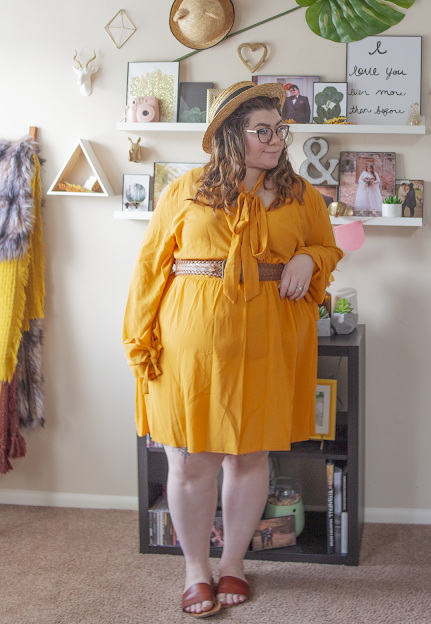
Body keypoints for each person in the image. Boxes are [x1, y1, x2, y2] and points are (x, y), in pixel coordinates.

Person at [123, 81, 343, 618]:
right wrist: (140, 339)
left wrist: (308, 259)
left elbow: (327, 245)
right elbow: (151, 267)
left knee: (250, 456)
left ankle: (234, 565)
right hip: (191, 348)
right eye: (263, 130)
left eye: (280, 130)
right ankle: (196, 569)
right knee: (192, 460)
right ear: (229, 136)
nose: (276, 140)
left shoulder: (301, 195)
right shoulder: (185, 190)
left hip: (269, 343)